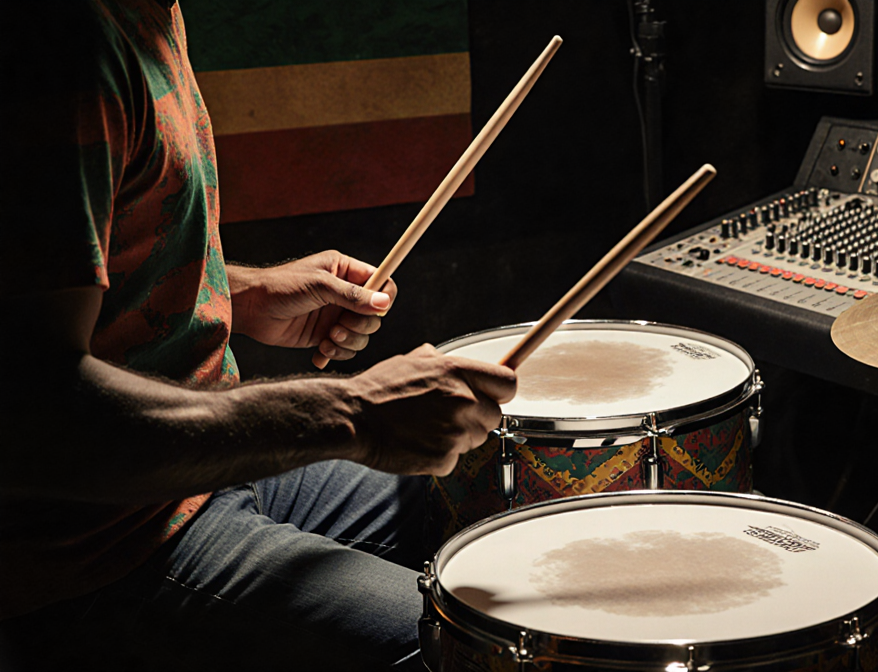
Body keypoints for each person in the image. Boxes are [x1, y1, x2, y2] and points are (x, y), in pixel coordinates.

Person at [0, 0, 516, 669]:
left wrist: (234, 291)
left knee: (497, 498)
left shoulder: (150, 12)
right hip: (94, 552)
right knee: (473, 650)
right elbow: (34, 410)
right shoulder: (61, 40)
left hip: (209, 476)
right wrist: (352, 412)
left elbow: (67, 267)